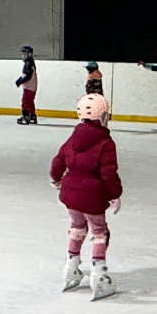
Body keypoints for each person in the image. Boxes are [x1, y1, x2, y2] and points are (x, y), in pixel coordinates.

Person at [51, 94, 122, 300]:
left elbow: (58, 161)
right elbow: (108, 173)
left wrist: (57, 179)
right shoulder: (105, 142)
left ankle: (71, 267)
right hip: (92, 197)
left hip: (70, 194)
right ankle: (99, 275)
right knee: (100, 232)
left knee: (77, 227)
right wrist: (115, 195)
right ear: (102, 116)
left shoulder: (74, 137)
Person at [15, 46, 38, 125]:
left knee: (25, 101)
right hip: (32, 87)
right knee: (30, 101)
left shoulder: (28, 63)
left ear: (29, 54)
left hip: (28, 87)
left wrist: (20, 81)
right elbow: (26, 74)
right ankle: (32, 116)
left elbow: (28, 76)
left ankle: (26, 116)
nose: (23, 56)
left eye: (25, 54)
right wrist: (19, 79)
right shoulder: (30, 62)